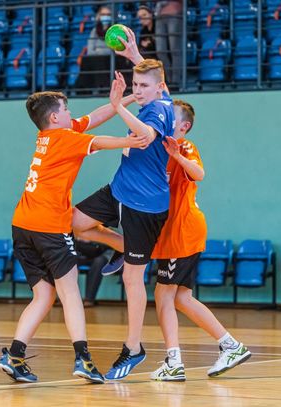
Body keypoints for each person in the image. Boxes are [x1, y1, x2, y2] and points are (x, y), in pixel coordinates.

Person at [0, 90, 149, 384]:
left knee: (43, 295)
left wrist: (124, 101)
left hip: (22, 225)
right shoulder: (65, 139)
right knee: (70, 293)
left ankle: (14, 356)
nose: (71, 114)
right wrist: (130, 141)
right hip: (49, 226)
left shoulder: (48, 136)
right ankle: (84, 360)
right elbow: (99, 142)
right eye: (66, 109)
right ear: (55, 117)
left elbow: (93, 119)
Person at [72, 29, 175, 380]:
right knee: (76, 221)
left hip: (144, 205)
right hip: (119, 190)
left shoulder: (159, 111)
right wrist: (134, 54)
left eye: (144, 86)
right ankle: (121, 247)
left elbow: (144, 138)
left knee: (133, 278)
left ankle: (133, 348)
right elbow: (153, 79)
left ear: (159, 89)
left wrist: (118, 106)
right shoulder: (157, 97)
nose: (138, 90)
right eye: (135, 85)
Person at [150, 100, 251, 381]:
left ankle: (173, 362)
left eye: (170, 117)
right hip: (173, 232)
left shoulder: (185, 147)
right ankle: (231, 346)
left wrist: (177, 156)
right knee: (181, 297)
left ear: (184, 127)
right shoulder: (157, 148)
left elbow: (199, 174)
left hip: (182, 231)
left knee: (163, 295)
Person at [155, 0, 184, 85]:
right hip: (159, 15)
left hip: (174, 13)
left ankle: (175, 81)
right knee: (160, 51)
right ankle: (168, 79)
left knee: (175, 50)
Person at [75, 239, 109, 307]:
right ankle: (70, 299)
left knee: (100, 261)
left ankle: (89, 299)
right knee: (67, 260)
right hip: (76, 255)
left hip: (96, 255)